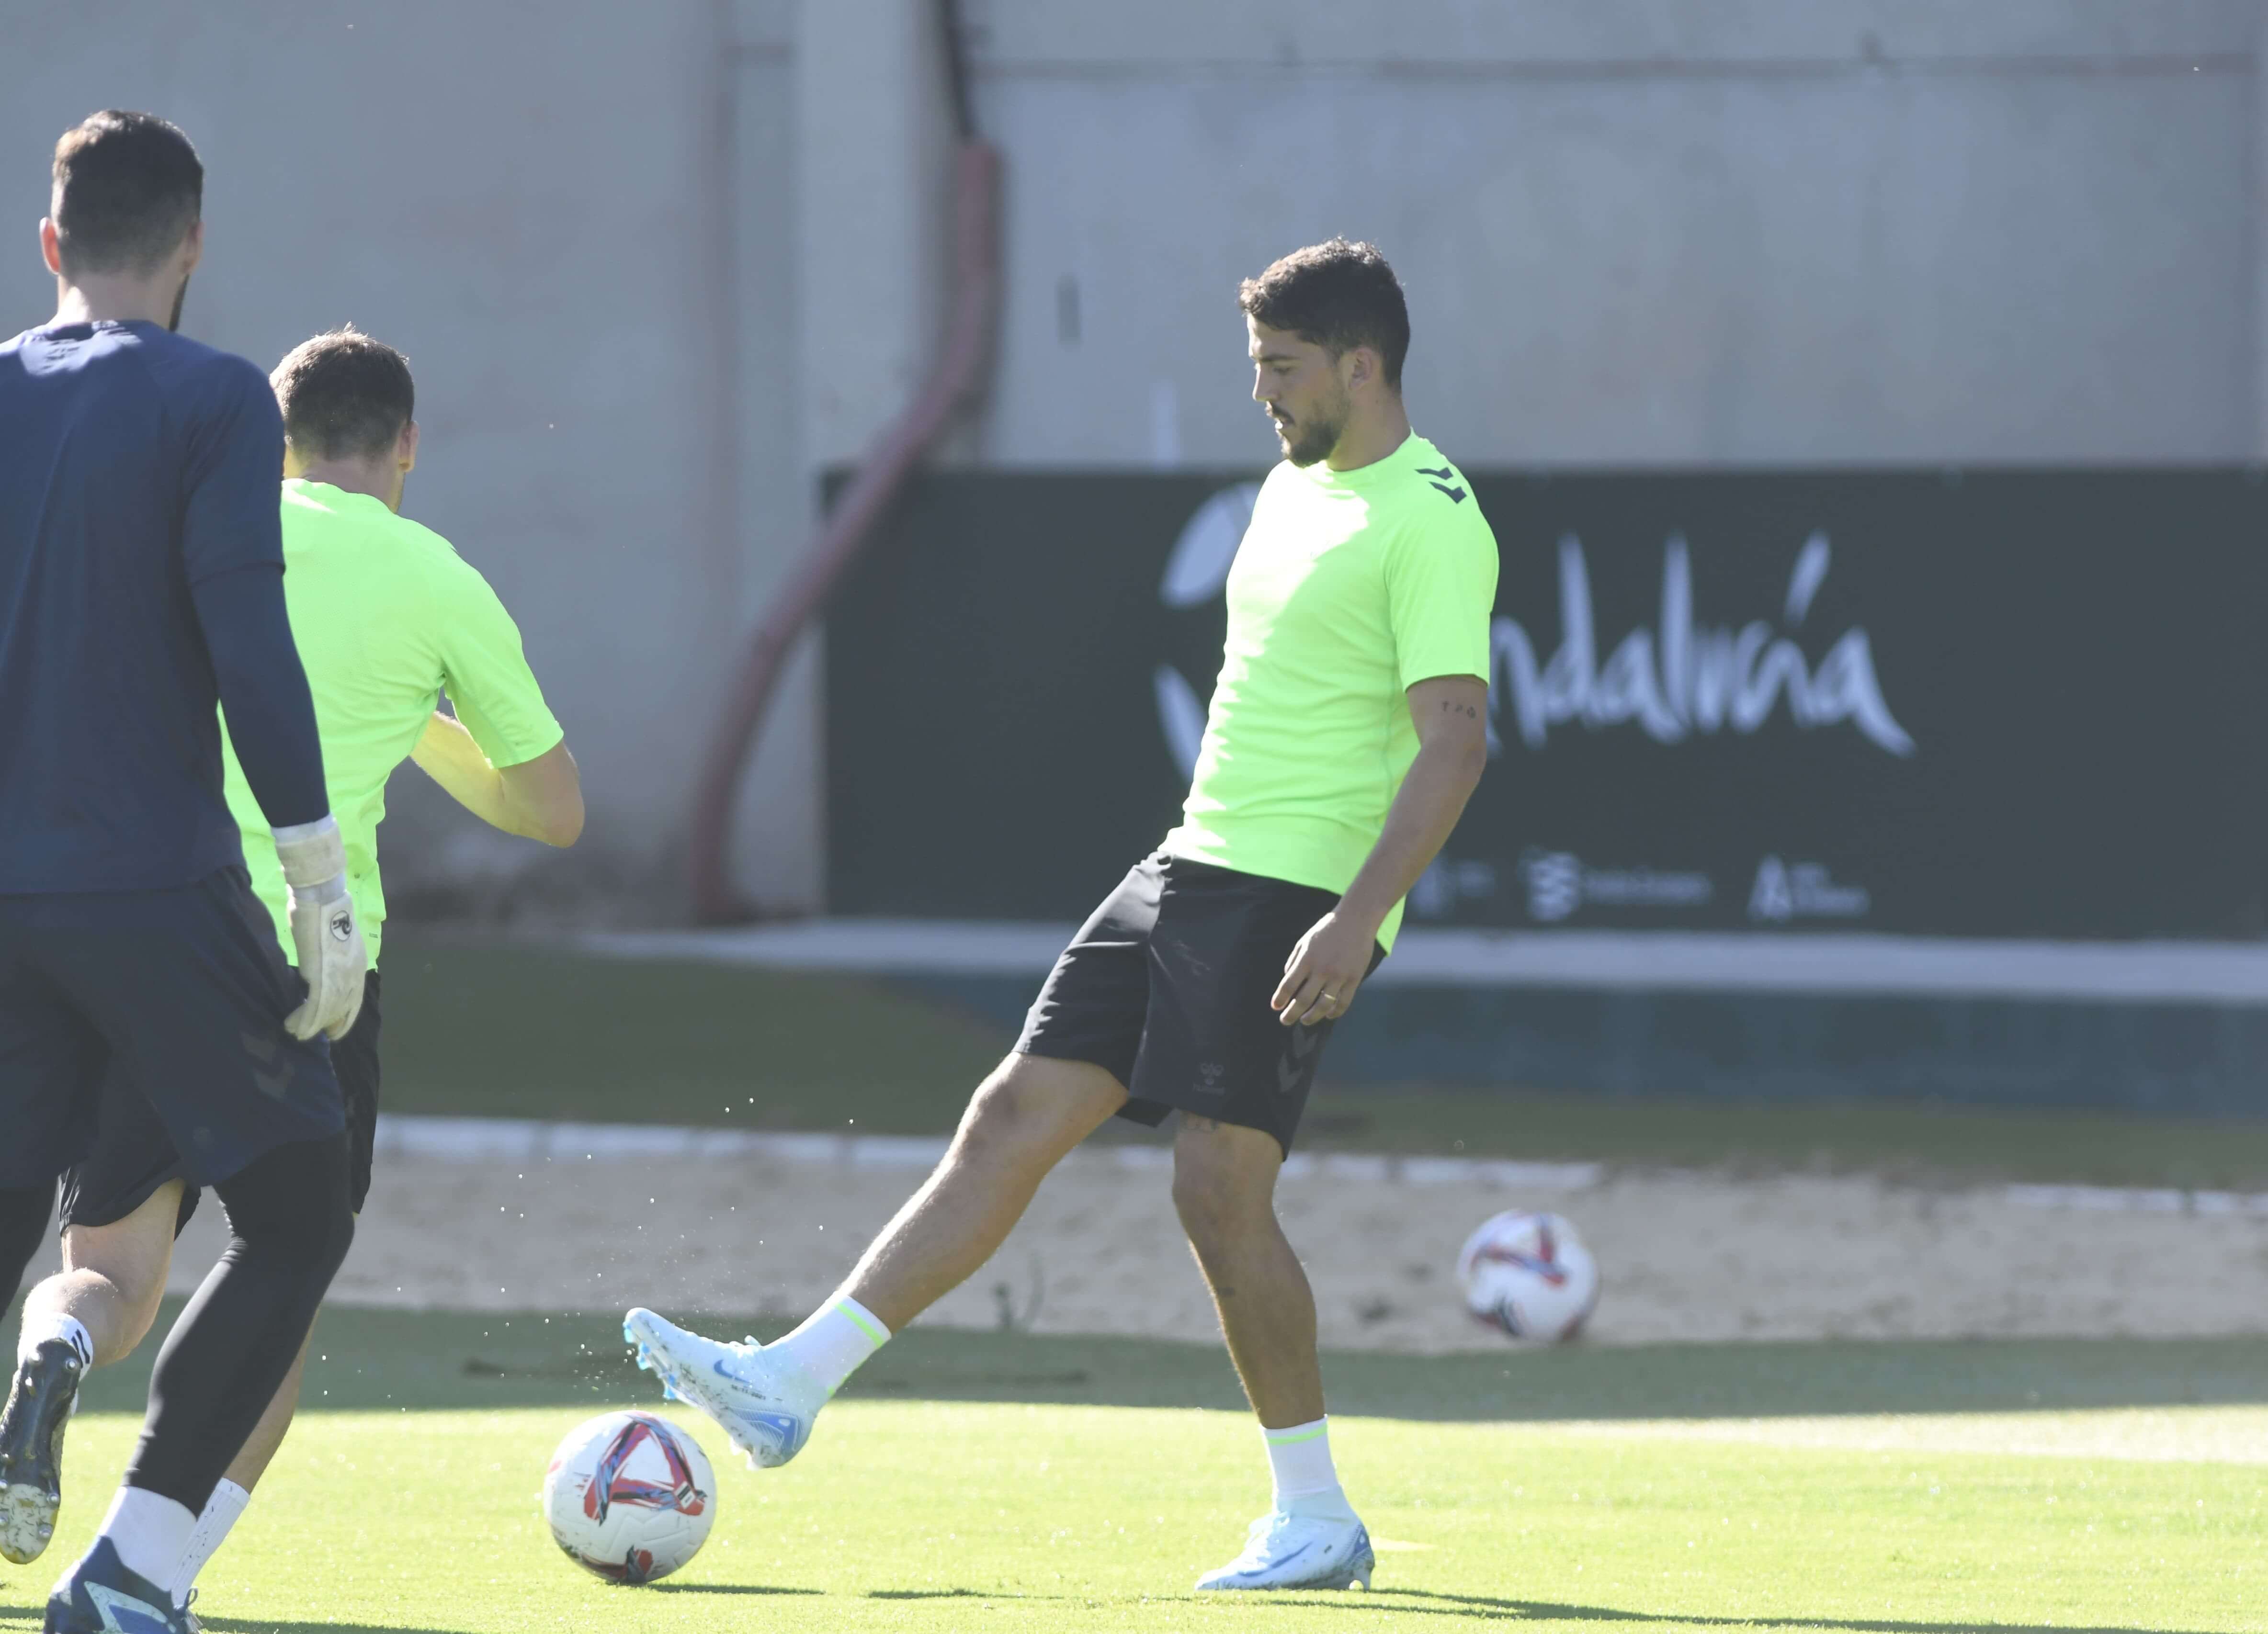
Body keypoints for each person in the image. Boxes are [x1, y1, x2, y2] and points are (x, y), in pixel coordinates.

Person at [626, 238, 1498, 1593]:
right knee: (1010, 1116)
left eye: (1281, 367)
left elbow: (1456, 744)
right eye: (1256, 366)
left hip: (1292, 895)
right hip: (1191, 864)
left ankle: (1315, 1513)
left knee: (1217, 1191)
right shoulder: (1289, 486)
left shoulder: (1431, 517)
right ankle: (790, 1383)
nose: (1263, 391)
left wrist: (1357, 917)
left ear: (1360, 365)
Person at [0, 326, 581, 1626]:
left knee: (114, 1265)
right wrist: (413, 718)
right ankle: (145, 1576)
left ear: (274, 437)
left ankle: (57, 1347)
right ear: (407, 447)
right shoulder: (435, 577)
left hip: (143, 926)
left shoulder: (196, 531)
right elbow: (553, 811)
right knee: (282, 1275)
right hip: (312, 967)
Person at [0, 112, 370, 1634]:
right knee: (299, 1205)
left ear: (49, 246)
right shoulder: (221, 397)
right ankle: (136, 1572)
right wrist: (317, 879)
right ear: (195, 243)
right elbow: (247, 644)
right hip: (150, 881)